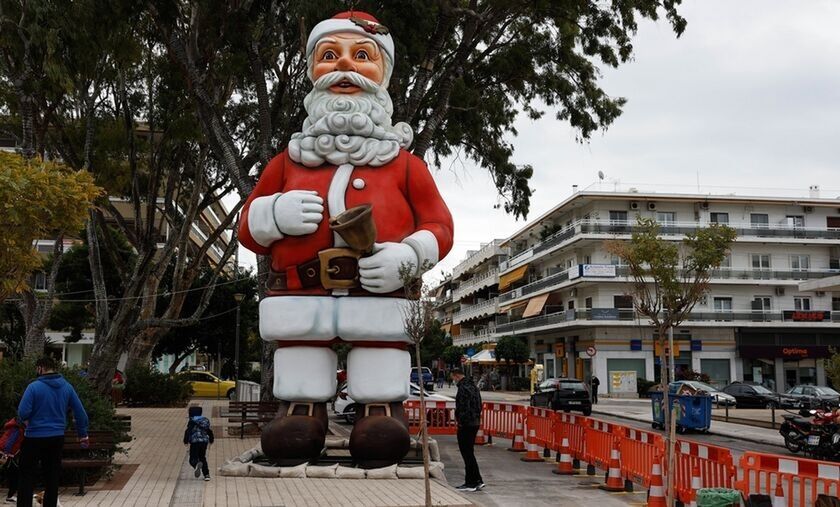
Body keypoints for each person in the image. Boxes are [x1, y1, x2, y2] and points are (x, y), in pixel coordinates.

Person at [237, 10, 454, 466]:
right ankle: (300, 414)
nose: (344, 67)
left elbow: (440, 226)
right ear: (313, 72)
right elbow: (247, 230)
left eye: (362, 56)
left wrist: (409, 255)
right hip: (300, 293)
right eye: (329, 55)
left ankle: (380, 415)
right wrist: (273, 214)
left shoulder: (405, 166)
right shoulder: (288, 163)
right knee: (302, 359)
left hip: (378, 297)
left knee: (378, 365)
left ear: (384, 75)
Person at [17, 355, 88, 507]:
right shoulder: (67, 387)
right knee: (52, 476)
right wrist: (83, 434)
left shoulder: (34, 387)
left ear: (40, 368)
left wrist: (28, 420)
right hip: (56, 437)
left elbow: (23, 412)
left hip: (34, 437)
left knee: (27, 475)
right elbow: (80, 412)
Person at [451, 368, 484, 492]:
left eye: (453, 378)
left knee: (467, 453)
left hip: (467, 424)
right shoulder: (474, 387)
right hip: (475, 422)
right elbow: (479, 404)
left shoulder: (463, 388)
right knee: (470, 452)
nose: (453, 380)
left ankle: (471, 482)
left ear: (457, 376)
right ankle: (477, 479)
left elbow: (463, 407)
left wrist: (461, 422)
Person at [183, 406, 214, 481]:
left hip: (195, 442)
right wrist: (211, 440)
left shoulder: (191, 421)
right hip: (204, 442)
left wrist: (186, 441)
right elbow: (209, 431)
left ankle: (196, 464)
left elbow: (188, 431)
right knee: (202, 457)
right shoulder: (205, 420)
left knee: (192, 458)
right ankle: (206, 475)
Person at [0, 417, 25, 504]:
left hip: (6, 454)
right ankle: (10, 496)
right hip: (6, 454)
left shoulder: (16, 428)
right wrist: (6, 455)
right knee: (14, 475)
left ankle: (10, 495)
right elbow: (10, 442)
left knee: (13, 474)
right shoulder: (17, 429)